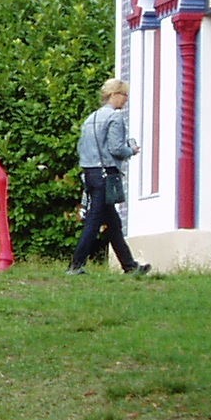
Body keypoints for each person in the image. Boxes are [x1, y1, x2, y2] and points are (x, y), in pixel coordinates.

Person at [70, 77, 150, 277]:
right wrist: (131, 150)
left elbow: (82, 148)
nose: (126, 100)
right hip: (106, 173)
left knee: (113, 223)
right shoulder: (115, 118)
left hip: (90, 172)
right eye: (124, 95)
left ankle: (130, 266)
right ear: (113, 95)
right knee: (94, 221)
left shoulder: (91, 118)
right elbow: (116, 148)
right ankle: (75, 265)